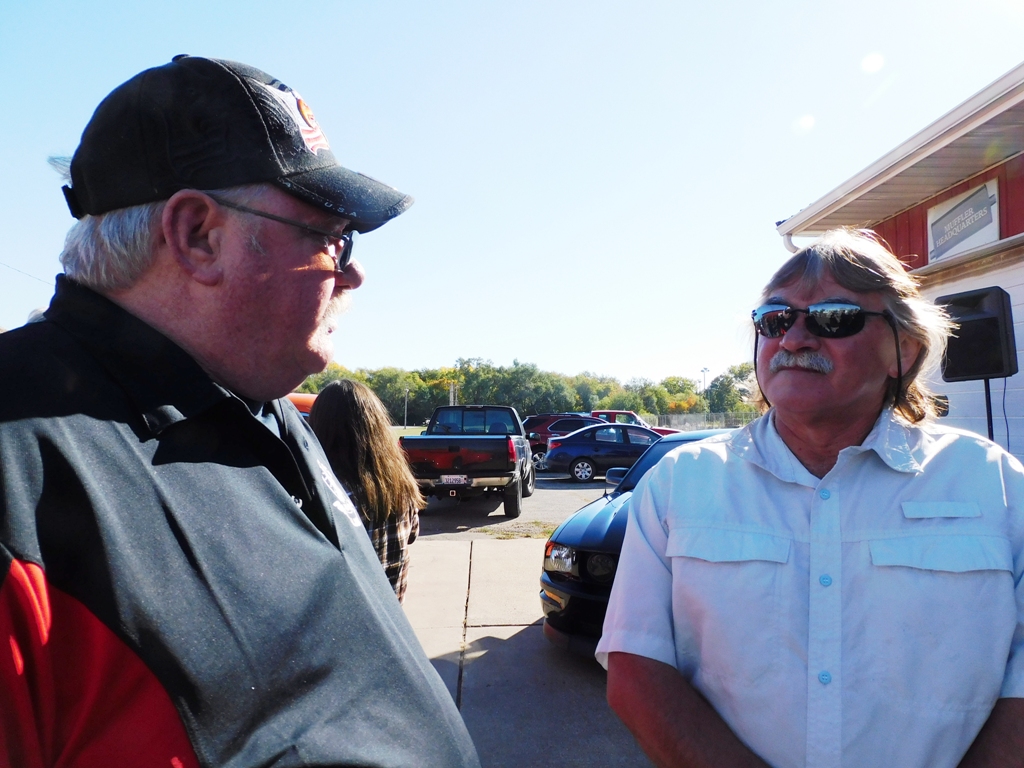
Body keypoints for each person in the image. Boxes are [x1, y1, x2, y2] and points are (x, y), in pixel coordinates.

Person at [0, 56, 480, 768]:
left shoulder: (256, 399)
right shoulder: (21, 466)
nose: (353, 272)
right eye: (330, 236)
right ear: (198, 235)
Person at [597, 228, 1024, 768]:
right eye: (775, 320)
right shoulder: (681, 483)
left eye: (833, 318)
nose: (794, 339)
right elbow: (636, 669)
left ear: (904, 349)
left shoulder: (994, 483)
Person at [308, 379, 424, 602]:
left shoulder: (325, 493)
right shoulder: (402, 484)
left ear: (319, 427)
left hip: (344, 615)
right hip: (390, 615)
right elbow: (412, 535)